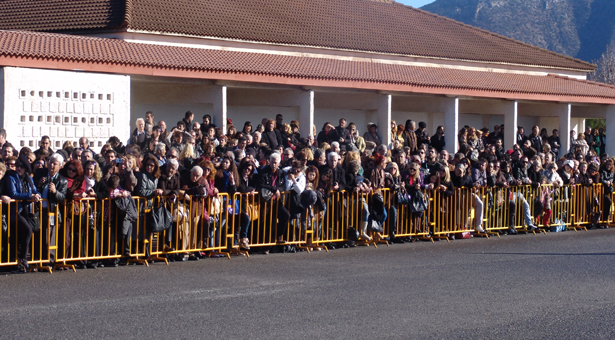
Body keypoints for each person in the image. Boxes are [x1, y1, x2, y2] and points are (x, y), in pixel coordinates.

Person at [5, 156, 42, 272]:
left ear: (26, 168)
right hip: (15, 211)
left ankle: (21, 260)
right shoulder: (11, 177)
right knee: (27, 230)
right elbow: (13, 194)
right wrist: (29, 196)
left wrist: (37, 195)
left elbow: (34, 190)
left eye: (21, 166)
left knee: (25, 233)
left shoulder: (28, 178)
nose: (18, 168)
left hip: (26, 211)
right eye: (17, 166)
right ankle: (22, 259)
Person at [33, 153, 68, 265]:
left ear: (60, 166)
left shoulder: (62, 180)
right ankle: (38, 261)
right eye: (50, 162)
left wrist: (55, 192)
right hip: (39, 210)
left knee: (50, 236)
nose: (51, 165)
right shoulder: (40, 173)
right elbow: (32, 187)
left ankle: (50, 261)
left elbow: (62, 197)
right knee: (38, 235)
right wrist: (38, 184)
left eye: (55, 163)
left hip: (52, 211)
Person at [256, 152, 291, 244]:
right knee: (266, 221)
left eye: (275, 163)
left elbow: (284, 186)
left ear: (279, 163)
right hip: (266, 200)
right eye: (272, 162)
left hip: (276, 200)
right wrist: (274, 189)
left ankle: (278, 236)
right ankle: (266, 244)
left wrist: (278, 189)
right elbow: (260, 184)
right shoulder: (264, 171)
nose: (273, 164)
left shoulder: (281, 173)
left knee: (286, 215)